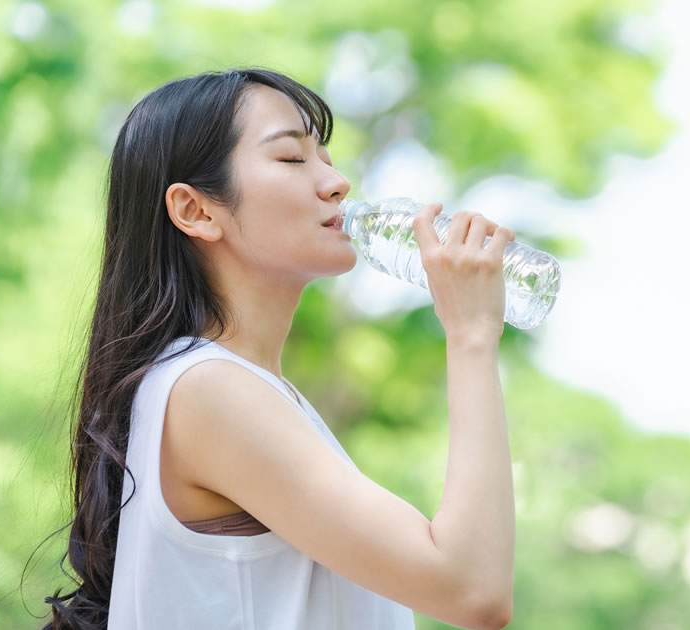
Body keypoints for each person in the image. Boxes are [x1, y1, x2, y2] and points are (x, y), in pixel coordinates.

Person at [42, 68, 516, 630]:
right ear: (196, 211)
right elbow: (471, 589)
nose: (337, 182)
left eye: (326, 158)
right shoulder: (208, 389)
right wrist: (470, 336)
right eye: (292, 159)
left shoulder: (242, 390)